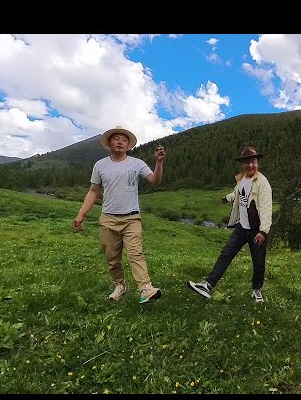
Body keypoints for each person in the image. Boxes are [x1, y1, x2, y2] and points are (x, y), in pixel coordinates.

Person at [73, 125, 166, 304]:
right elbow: (93, 191)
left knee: (135, 254)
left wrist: (159, 163)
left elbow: (155, 180)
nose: (120, 142)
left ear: (128, 145)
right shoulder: (100, 165)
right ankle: (120, 285)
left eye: (124, 139)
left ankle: (145, 288)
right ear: (109, 143)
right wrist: (81, 214)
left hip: (132, 218)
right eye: (116, 138)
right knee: (112, 258)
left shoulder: (137, 163)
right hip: (108, 218)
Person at [187, 146, 272, 303]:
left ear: (257, 162)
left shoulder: (262, 183)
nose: (250, 165)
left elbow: (266, 207)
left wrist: (263, 231)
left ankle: (257, 290)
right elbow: (237, 194)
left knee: (258, 262)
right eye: (247, 162)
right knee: (226, 254)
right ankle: (207, 285)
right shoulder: (241, 180)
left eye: (253, 161)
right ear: (242, 164)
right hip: (242, 228)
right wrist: (227, 198)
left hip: (256, 230)